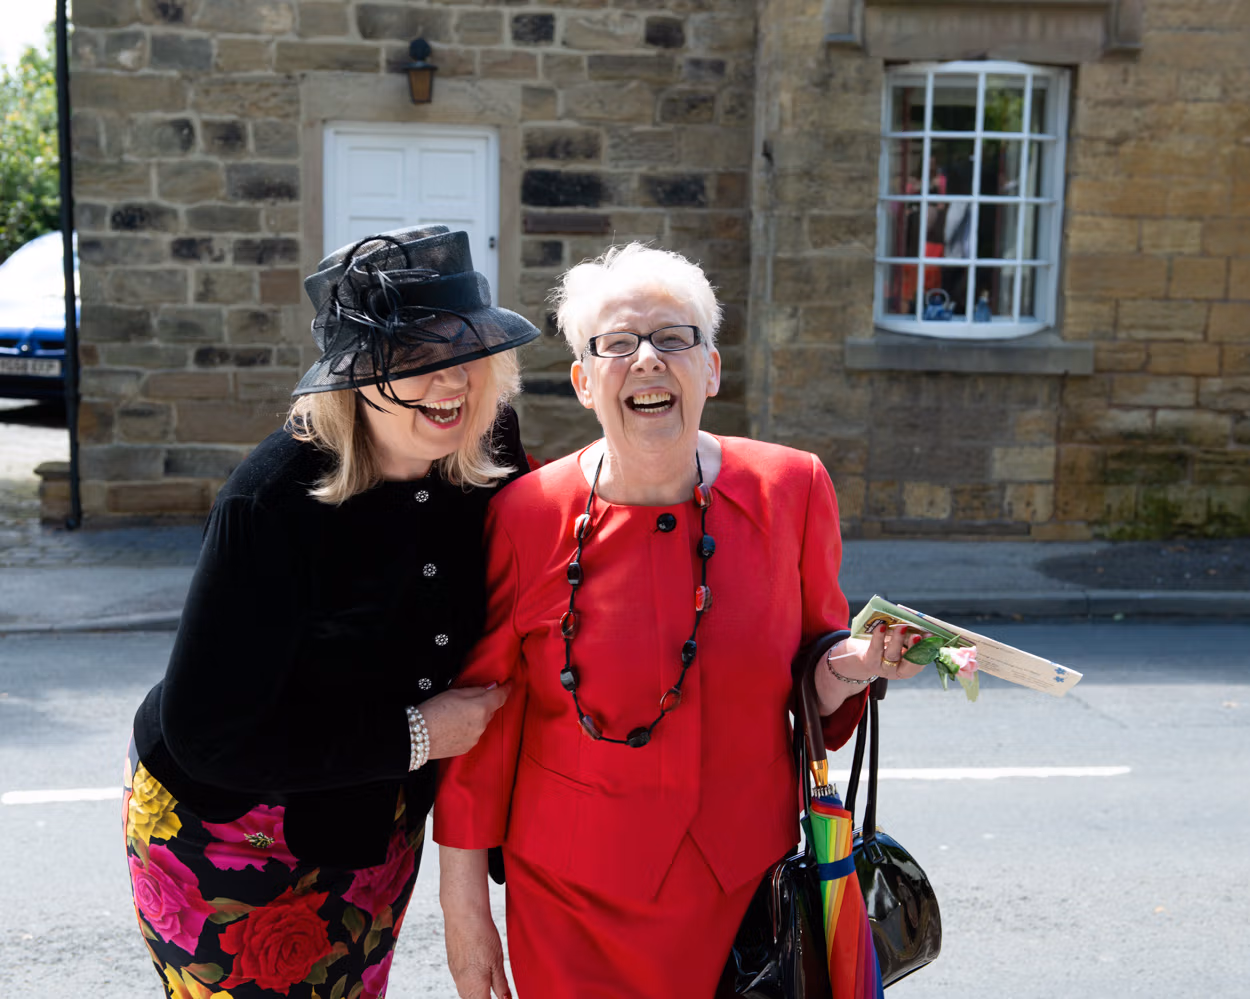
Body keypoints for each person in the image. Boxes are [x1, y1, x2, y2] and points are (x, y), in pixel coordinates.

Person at [435, 243, 927, 999]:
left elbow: (815, 670)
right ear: (583, 381)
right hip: (569, 902)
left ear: (711, 369)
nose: (647, 360)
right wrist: (465, 917)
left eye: (673, 338)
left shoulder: (793, 488)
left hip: (745, 892)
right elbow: (483, 733)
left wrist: (856, 664)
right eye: (617, 344)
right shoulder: (525, 515)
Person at [122, 225, 539, 999]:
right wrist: (416, 734)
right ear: (354, 378)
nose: (451, 380)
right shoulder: (271, 501)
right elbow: (206, 736)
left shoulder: (489, 440)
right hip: (227, 834)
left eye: (465, 350)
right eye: (413, 358)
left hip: (373, 820)